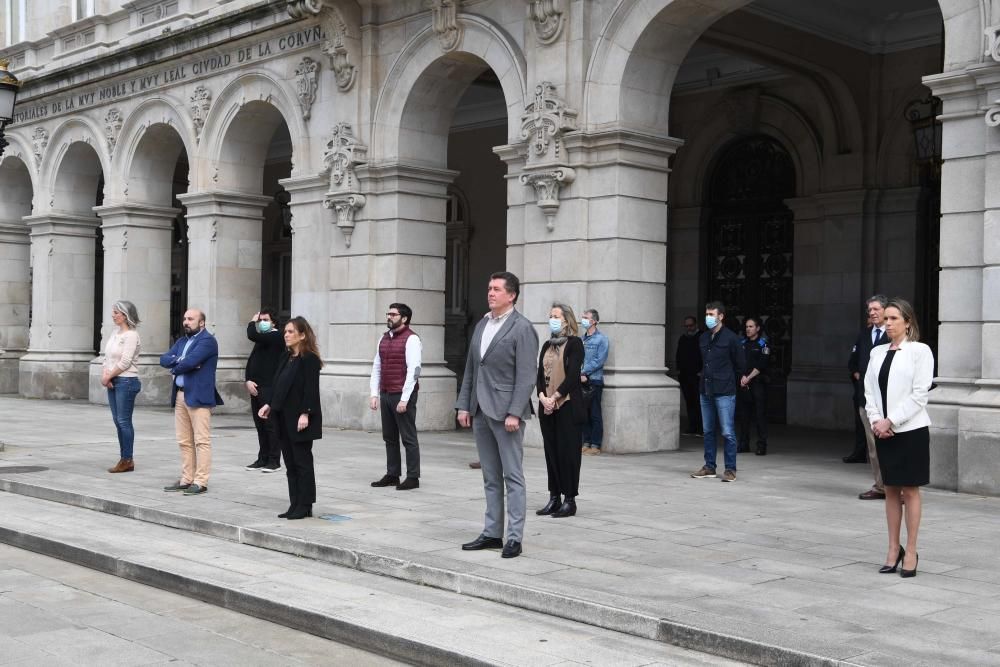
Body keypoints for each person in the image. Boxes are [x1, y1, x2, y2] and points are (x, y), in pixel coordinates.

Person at [456, 271, 538, 559]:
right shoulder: (482, 324)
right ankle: (492, 532)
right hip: (480, 410)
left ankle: (514, 538)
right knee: (491, 477)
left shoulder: (522, 328)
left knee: (512, 477)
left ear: (511, 295)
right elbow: (471, 369)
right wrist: (464, 405)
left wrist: (515, 412)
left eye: (496, 289)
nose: (490, 293)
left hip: (506, 415)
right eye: (489, 288)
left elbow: (527, 375)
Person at [865, 298, 932, 578]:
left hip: (910, 430)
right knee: (890, 490)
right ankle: (894, 549)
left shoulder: (920, 351)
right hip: (883, 431)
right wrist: (876, 422)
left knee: (910, 490)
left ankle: (912, 550)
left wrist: (891, 420)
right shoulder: (877, 352)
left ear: (908, 322)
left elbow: (920, 394)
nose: (888, 323)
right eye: (886, 319)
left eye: (894, 318)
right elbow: (869, 391)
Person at [258, 317, 324, 520]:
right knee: (290, 463)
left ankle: (305, 505)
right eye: (285, 331)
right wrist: (269, 404)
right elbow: (279, 385)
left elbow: (311, 389)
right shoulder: (286, 358)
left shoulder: (309, 359)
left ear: (302, 335)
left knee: (302, 463)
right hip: (283, 417)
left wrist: (306, 413)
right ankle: (295, 502)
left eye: (290, 332)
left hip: (300, 419)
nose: (286, 335)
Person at [159, 309, 223, 496]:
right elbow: (164, 359)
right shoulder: (181, 341)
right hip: (180, 395)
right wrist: (180, 361)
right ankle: (187, 479)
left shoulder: (207, 341)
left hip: (199, 396)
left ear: (201, 323)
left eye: (191, 319)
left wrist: (179, 364)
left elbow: (191, 361)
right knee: (184, 440)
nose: (186, 322)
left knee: (201, 440)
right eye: (185, 318)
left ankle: (201, 481)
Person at [536, 303, 587, 518]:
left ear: (566, 320)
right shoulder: (547, 344)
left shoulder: (575, 344)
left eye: (556, 316)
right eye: (550, 316)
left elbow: (573, 375)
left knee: (568, 454)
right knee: (551, 453)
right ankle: (554, 497)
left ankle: (569, 499)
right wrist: (543, 398)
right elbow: (539, 375)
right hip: (547, 407)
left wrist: (555, 397)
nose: (552, 319)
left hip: (567, 405)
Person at [369, 303, 422, 491]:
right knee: (389, 437)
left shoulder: (412, 339)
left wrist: (405, 399)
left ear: (404, 318)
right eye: (388, 313)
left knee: (408, 437)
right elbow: (377, 366)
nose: (389, 317)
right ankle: (392, 474)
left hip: (402, 394)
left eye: (393, 314)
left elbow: (414, 371)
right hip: (386, 393)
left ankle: (413, 477)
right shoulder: (384, 338)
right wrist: (374, 393)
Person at [690, 301, 745, 483]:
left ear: (721, 316)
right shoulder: (704, 337)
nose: (708, 318)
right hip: (705, 389)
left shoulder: (731, 338)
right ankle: (709, 466)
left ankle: (730, 469)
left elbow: (740, 364)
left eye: (712, 315)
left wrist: (729, 380)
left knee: (727, 431)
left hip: (724, 390)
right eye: (707, 314)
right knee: (708, 430)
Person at [848, 295, 890, 501]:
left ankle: (896, 486)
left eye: (876, 309)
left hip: (889, 400)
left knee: (892, 445)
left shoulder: (893, 335)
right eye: (870, 310)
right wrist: (860, 379)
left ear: (886, 310)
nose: (872, 313)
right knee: (873, 446)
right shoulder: (864, 335)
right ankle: (881, 486)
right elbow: (853, 362)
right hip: (865, 399)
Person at [102, 300, 142, 473]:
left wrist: (109, 376)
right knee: (118, 422)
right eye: (113, 312)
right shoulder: (115, 333)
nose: (113, 315)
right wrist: (106, 375)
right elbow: (107, 357)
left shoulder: (131, 335)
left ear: (126, 315)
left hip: (126, 381)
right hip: (113, 380)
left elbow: (125, 362)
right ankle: (124, 457)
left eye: (117, 312)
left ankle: (127, 459)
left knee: (124, 421)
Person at [244, 309, 284, 473]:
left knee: (271, 425)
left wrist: (252, 322)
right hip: (256, 387)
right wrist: (248, 380)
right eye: (260, 320)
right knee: (260, 425)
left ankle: (274, 460)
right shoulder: (263, 340)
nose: (261, 323)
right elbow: (253, 361)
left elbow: (252, 334)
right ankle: (263, 458)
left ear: (273, 322)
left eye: (265, 319)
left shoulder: (275, 336)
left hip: (269, 387)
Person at [737, 316, 769, 456]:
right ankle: (744, 444)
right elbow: (738, 362)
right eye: (746, 327)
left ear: (757, 328)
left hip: (757, 383)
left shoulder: (763, 344)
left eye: (751, 326)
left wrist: (748, 377)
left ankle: (761, 445)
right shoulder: (742, 343)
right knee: (744, 415)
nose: (748, 329)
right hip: (744, 383)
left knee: (759, 415)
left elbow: (762, 365)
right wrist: (742, 378)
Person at [580, 308, 609, 455]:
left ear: (594, 321)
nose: (583, 319)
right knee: (584, 413)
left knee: (595, 413)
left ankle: (595, 444)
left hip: (594, 380)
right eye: (583, 317)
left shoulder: (601, 339)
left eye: (586, 317)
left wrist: (584, 372)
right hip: (581, 380)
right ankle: (586, 441)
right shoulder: (582, 339)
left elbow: (599, 360)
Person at [675, 316, 702, 436]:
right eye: (686, 326)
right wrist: (679, 370)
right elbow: (678, 354)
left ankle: (701, 428)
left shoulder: (702, 337)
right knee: (689, 402)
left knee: (699, 402)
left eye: (691, 325)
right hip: (685, 375)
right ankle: (692, 426)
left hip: (698, 376)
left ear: (695, 325)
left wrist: (702, 371)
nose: (689, 328)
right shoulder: (683, 338)